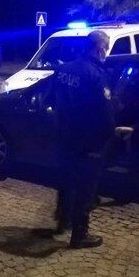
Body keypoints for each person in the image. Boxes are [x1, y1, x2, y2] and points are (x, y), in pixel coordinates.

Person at [53, 30, 130, 249]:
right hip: (89, 142)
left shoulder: (64, 69)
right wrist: (112, 133)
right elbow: (104, 112)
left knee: (67, 181)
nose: (106, 53)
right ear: (99, 48)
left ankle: (63, 221)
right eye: (106, 49)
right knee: (86, 188)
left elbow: (53, 100)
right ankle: (80, 235)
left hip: (65, 137)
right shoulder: (96, 74)